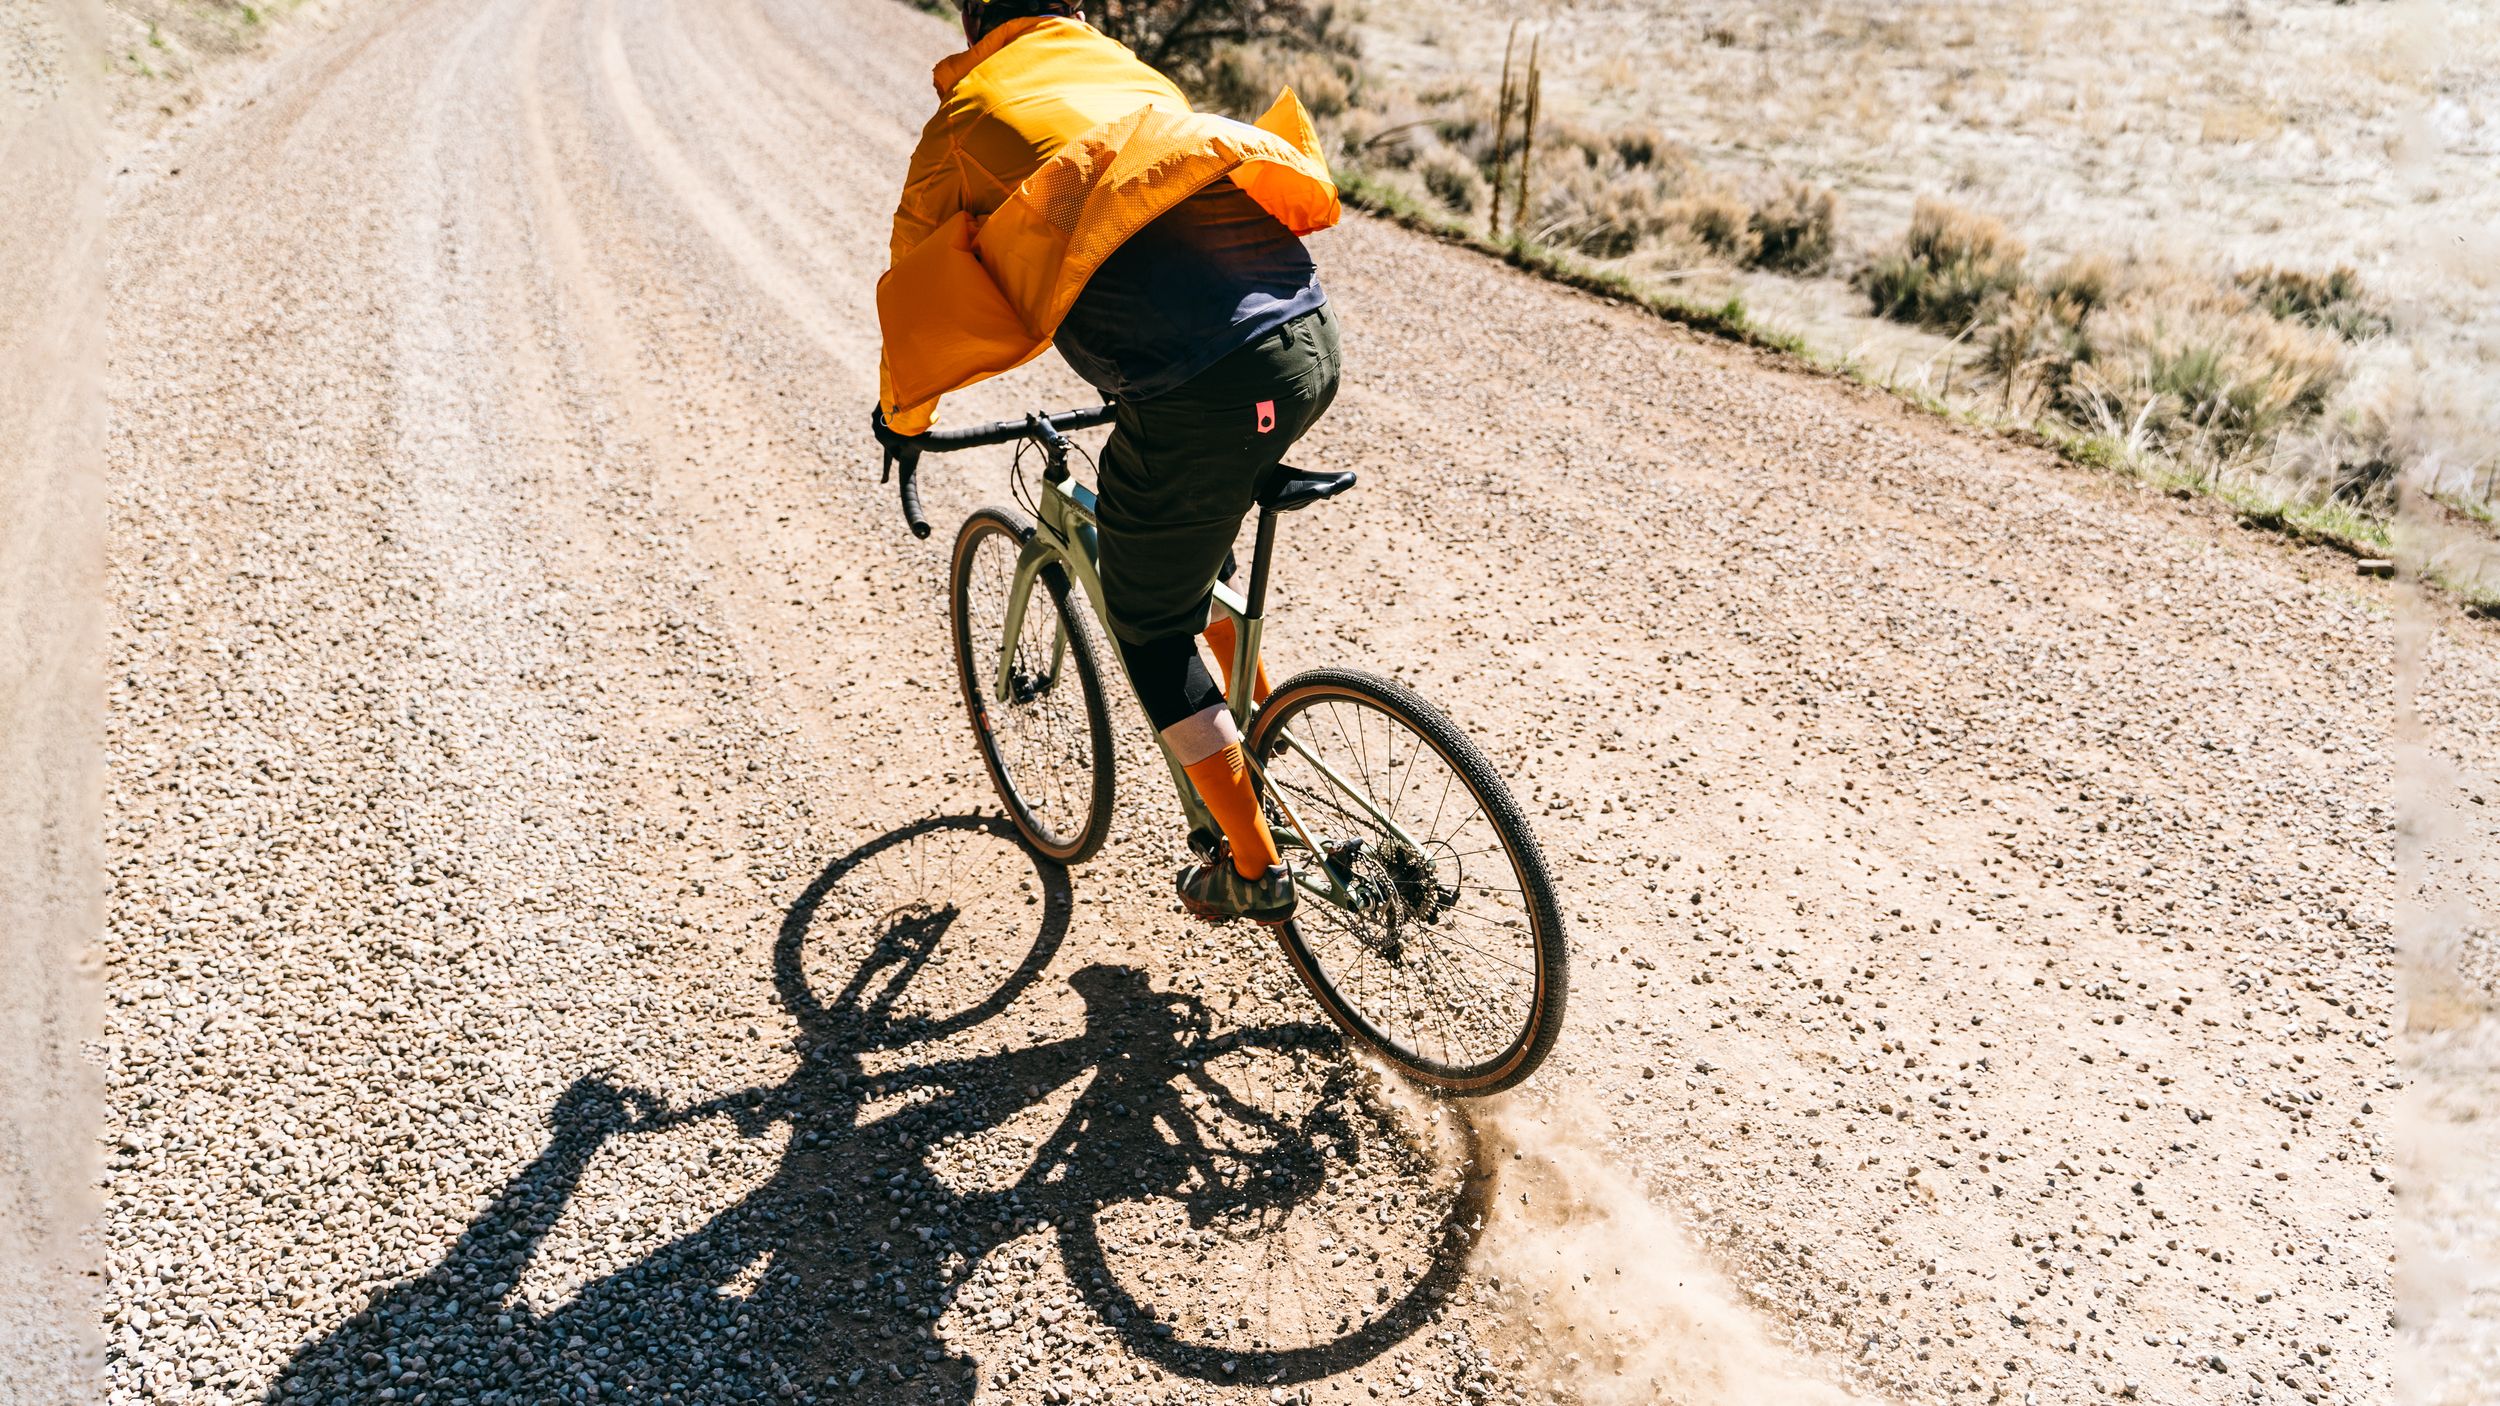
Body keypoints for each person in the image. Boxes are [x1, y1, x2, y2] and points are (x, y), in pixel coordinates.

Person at [875, 0, 1343, 922]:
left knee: (1150, 625)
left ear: (975, 24)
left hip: (1197, 383)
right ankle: (1256, 739)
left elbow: (915, 287)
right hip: (1306, 338)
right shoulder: (1121, 68)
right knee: (1186, 546)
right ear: (1076, 10)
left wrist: (905, 420)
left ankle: (1254, 870)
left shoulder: (964, 122)